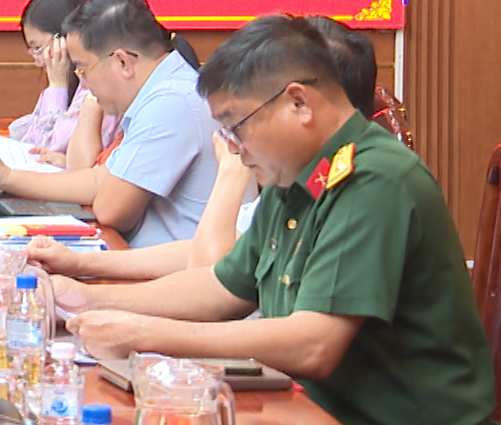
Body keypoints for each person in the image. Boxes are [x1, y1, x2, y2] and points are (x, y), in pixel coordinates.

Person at [54, 14, 501, 425]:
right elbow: (222, 286)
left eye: (237, 126)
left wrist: (145, 335)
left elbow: (314, 343)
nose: (232, 146)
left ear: (298, 103)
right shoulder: (299, 177)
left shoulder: (374, 180)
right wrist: (86, 302)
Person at [30, 15, 382, 281]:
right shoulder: (291, 183)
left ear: (300, 104)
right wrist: (83, 268)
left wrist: (232, 171)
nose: (230, 138)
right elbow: (205, 261)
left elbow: (210, 277)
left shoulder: (366, 185)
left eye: (240, 122)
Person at [0, 0, 217, 248]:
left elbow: (110, 210)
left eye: (83, 69)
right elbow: (97, 179)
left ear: (123, 62)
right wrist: (5, 177)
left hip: (167, 266)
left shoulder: (170, 103)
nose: (83, 83)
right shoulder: (163, 91)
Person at [10, 0, 119, 160]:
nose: (38, 61)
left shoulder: (96, 84)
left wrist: (57, 87)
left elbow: (45, 147)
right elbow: (25, 137)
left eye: (38, 48)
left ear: (64, 38)